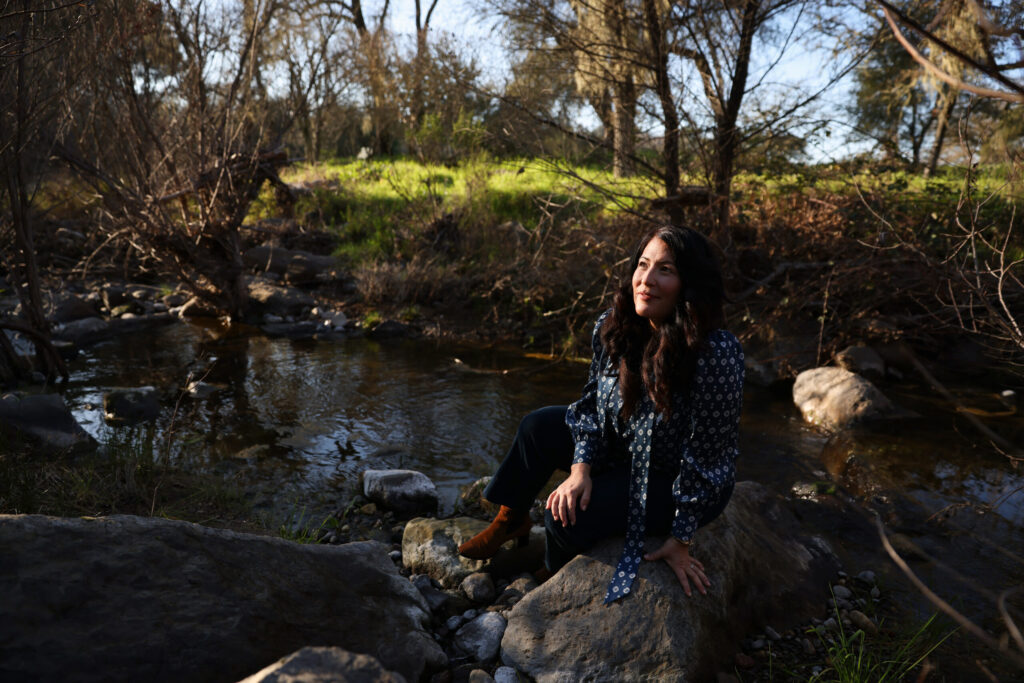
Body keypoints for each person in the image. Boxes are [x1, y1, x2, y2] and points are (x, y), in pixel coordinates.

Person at [458, 225, 744, 603]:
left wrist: (681, 538)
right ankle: (510, 520)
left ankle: (552, 567)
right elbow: (591, 406)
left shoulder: (715, 353)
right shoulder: (616, 325)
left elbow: (706, 458)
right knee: (538, 427)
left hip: (671, 478)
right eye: (643, 265)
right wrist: (581, 470)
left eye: (666, 270)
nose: (647, 280)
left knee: (566, 517)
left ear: (689, 284)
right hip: (624, 446)